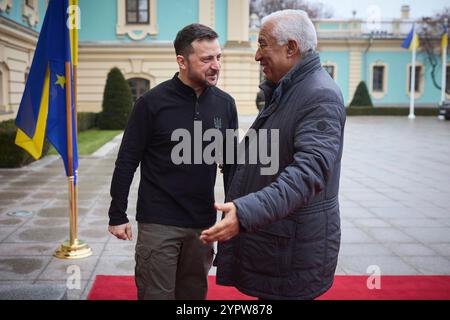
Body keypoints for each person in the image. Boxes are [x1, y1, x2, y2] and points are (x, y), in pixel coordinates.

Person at [200, 10, 346, 300]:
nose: (256, 55)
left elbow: (308, 173)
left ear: (291, 48)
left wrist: (245, 212)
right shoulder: (290, 90)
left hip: (293, 252)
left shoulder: (319, 95)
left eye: (263, 44)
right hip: (279, 243)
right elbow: (275, 151)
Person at [107, 23, 238, 300]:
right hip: (159, 222)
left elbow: (231, 165)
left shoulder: (225, 104)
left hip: (203, 224)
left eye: (218, 57)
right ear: (181, 61)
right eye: (206, 59)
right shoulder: (151, 103)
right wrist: (117, 214)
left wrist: (234, 212)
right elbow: (127, 160)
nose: (216, 65)